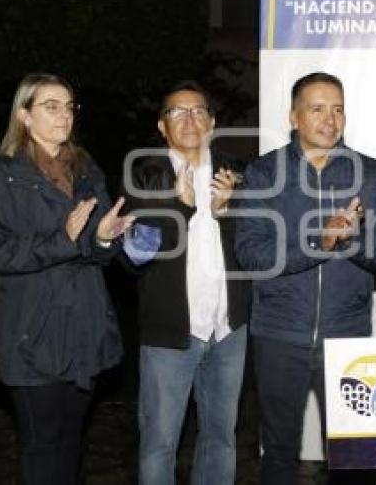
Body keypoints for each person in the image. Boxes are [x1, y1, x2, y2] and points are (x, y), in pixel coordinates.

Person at [234, 72, 376, 485]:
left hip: (347, 336)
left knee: (354, 455)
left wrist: (349, 240)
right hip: (278, 335)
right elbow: (251, 254)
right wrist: (320, 240)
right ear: (294, 117)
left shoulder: (369, 172)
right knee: (277, 450)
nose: (330, 119)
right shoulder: (263, 173)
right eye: (317, 109)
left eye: (338, 108)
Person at [0, 73, 132, 485]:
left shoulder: (84, 169)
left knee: (70, 442)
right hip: (32, 334)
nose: (64, 115)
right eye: (51, 106)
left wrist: (104, 239)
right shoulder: (1, 178)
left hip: (84, 329)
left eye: (69, 106)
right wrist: (61, 240)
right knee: (42, 446)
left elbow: (100, 252)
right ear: (25, 115)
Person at [120, 80, 249, 485]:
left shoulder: (236, 172)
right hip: (170, 334)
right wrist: (181, 207)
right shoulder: (145, 173)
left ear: (211, 121)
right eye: (177, 111)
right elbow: (136, 256)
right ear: (162, 126)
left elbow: (253, 248)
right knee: (159, 443)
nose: (189, 119)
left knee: (221, 439)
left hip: (229, 329)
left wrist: (228, 212)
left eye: (198, 111)